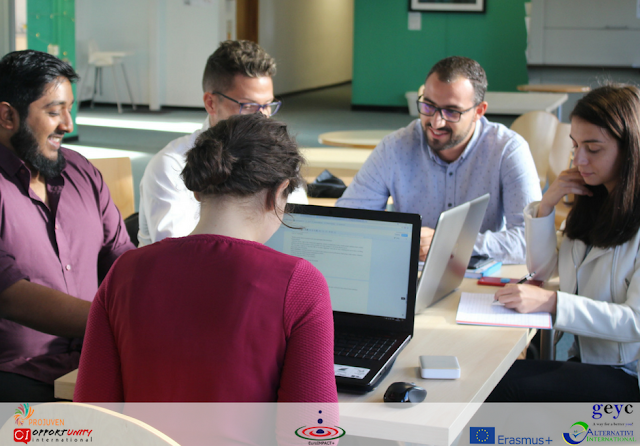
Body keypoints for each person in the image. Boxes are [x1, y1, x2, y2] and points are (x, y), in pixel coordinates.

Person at [74, 113, 337, 403]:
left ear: (198, 190)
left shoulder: (125, 271)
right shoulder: (299, 283)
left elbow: (92, 408)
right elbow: (313, 426)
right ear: (277, 193)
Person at [487, 84, 640, 402]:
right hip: (587, 361)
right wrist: (546, 205)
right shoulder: (595, 202)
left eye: (593, 149)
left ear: (630, 149)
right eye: (575, 145)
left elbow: (635, 322)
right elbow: (542, 270)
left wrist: (553, 303)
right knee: (490, 370)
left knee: (495, 384)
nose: (579, 159)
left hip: (628, 374)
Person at [0, 50, 135, 401]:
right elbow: (9, 294)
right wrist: (116, 322)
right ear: (7, 116)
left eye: (69, 109)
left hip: (94, 356)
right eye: (53, 111)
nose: (68, 125)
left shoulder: (81, 171)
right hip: (18, 373)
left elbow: (120, 256)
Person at [336, 56, 541, 264]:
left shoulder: (508, 150)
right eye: (429, 106)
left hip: (479, 276)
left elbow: (531, 242)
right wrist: (399, 238)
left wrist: (449, 244)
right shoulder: (394, 148)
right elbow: (343, 223)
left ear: (478, 111)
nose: (436, 122)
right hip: (410, 275)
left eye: (451, 112)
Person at [138, 40, 307, 247]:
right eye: (249, 106)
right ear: (211, 103)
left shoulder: (278, 157)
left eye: (267, 105)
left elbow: (299, 230)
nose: (262, 117)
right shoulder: (171, 166)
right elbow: (181, 255)